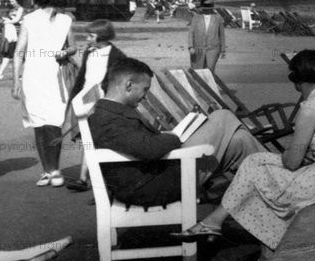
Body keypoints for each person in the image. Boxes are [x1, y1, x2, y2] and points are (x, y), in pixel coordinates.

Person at [172, 50, 315, 261]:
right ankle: (228, 229)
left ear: (295, 79)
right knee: (255, 164)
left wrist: (290, 157)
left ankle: (236, 232)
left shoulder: (311, 109)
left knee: (257, 176)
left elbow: (292, 162)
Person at [87, 57, 266, 207]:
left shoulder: (111, 112)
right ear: (128, 85)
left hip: (159, 172)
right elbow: (148, 149)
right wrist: (174, 137)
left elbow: (143, 144)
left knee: (240, 141)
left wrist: (168, 138)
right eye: (145, 89)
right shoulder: (105, 119)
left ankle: (271, 189)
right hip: (151, 186)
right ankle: (278, 184)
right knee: (223, 116)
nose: (145, 96)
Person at [12, 0, 75, 187]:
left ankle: (55, 169)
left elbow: (73, 47)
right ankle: (47, 171)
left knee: (55, 123)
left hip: (56, 77)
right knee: (39, 125)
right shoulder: (29, 20)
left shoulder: (66, 20)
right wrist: (15, 81)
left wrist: (65, 52)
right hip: (33, 76)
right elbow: (19, 52)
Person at [66, 19, 126, 191]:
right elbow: (82, 76)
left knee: (99, 140)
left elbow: (119, 81)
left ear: (102, 36)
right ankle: (83, 178)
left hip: (103, 101)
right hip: (85, 99)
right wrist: (74, 97)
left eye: (91, 35)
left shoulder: (116, 55)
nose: (87, 38)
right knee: (87, 139)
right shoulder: (89, 52)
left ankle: (98, 182)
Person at [0, 0, 24, 81]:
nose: (11, 3)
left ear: (17, 1)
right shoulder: (10, 10)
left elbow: (16, 20)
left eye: (13, 1)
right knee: (10, 54)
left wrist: (6, 21)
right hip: (12, 35)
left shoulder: (21, 9)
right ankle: (0, 73)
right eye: (10, 1)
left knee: (12, 55)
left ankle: (0, 73)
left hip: (19, 34)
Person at [188, 0, 225, 72]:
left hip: (213, 48)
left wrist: (223, 50)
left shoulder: (218, 18)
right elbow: (191, 32)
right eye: (205, 8)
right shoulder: (196, 17)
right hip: (198, 47)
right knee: (197, 71)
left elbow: (221, 34)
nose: (206, 10)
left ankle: (209, 83)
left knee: (210, 70)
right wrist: (190, 46)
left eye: (208, 8)